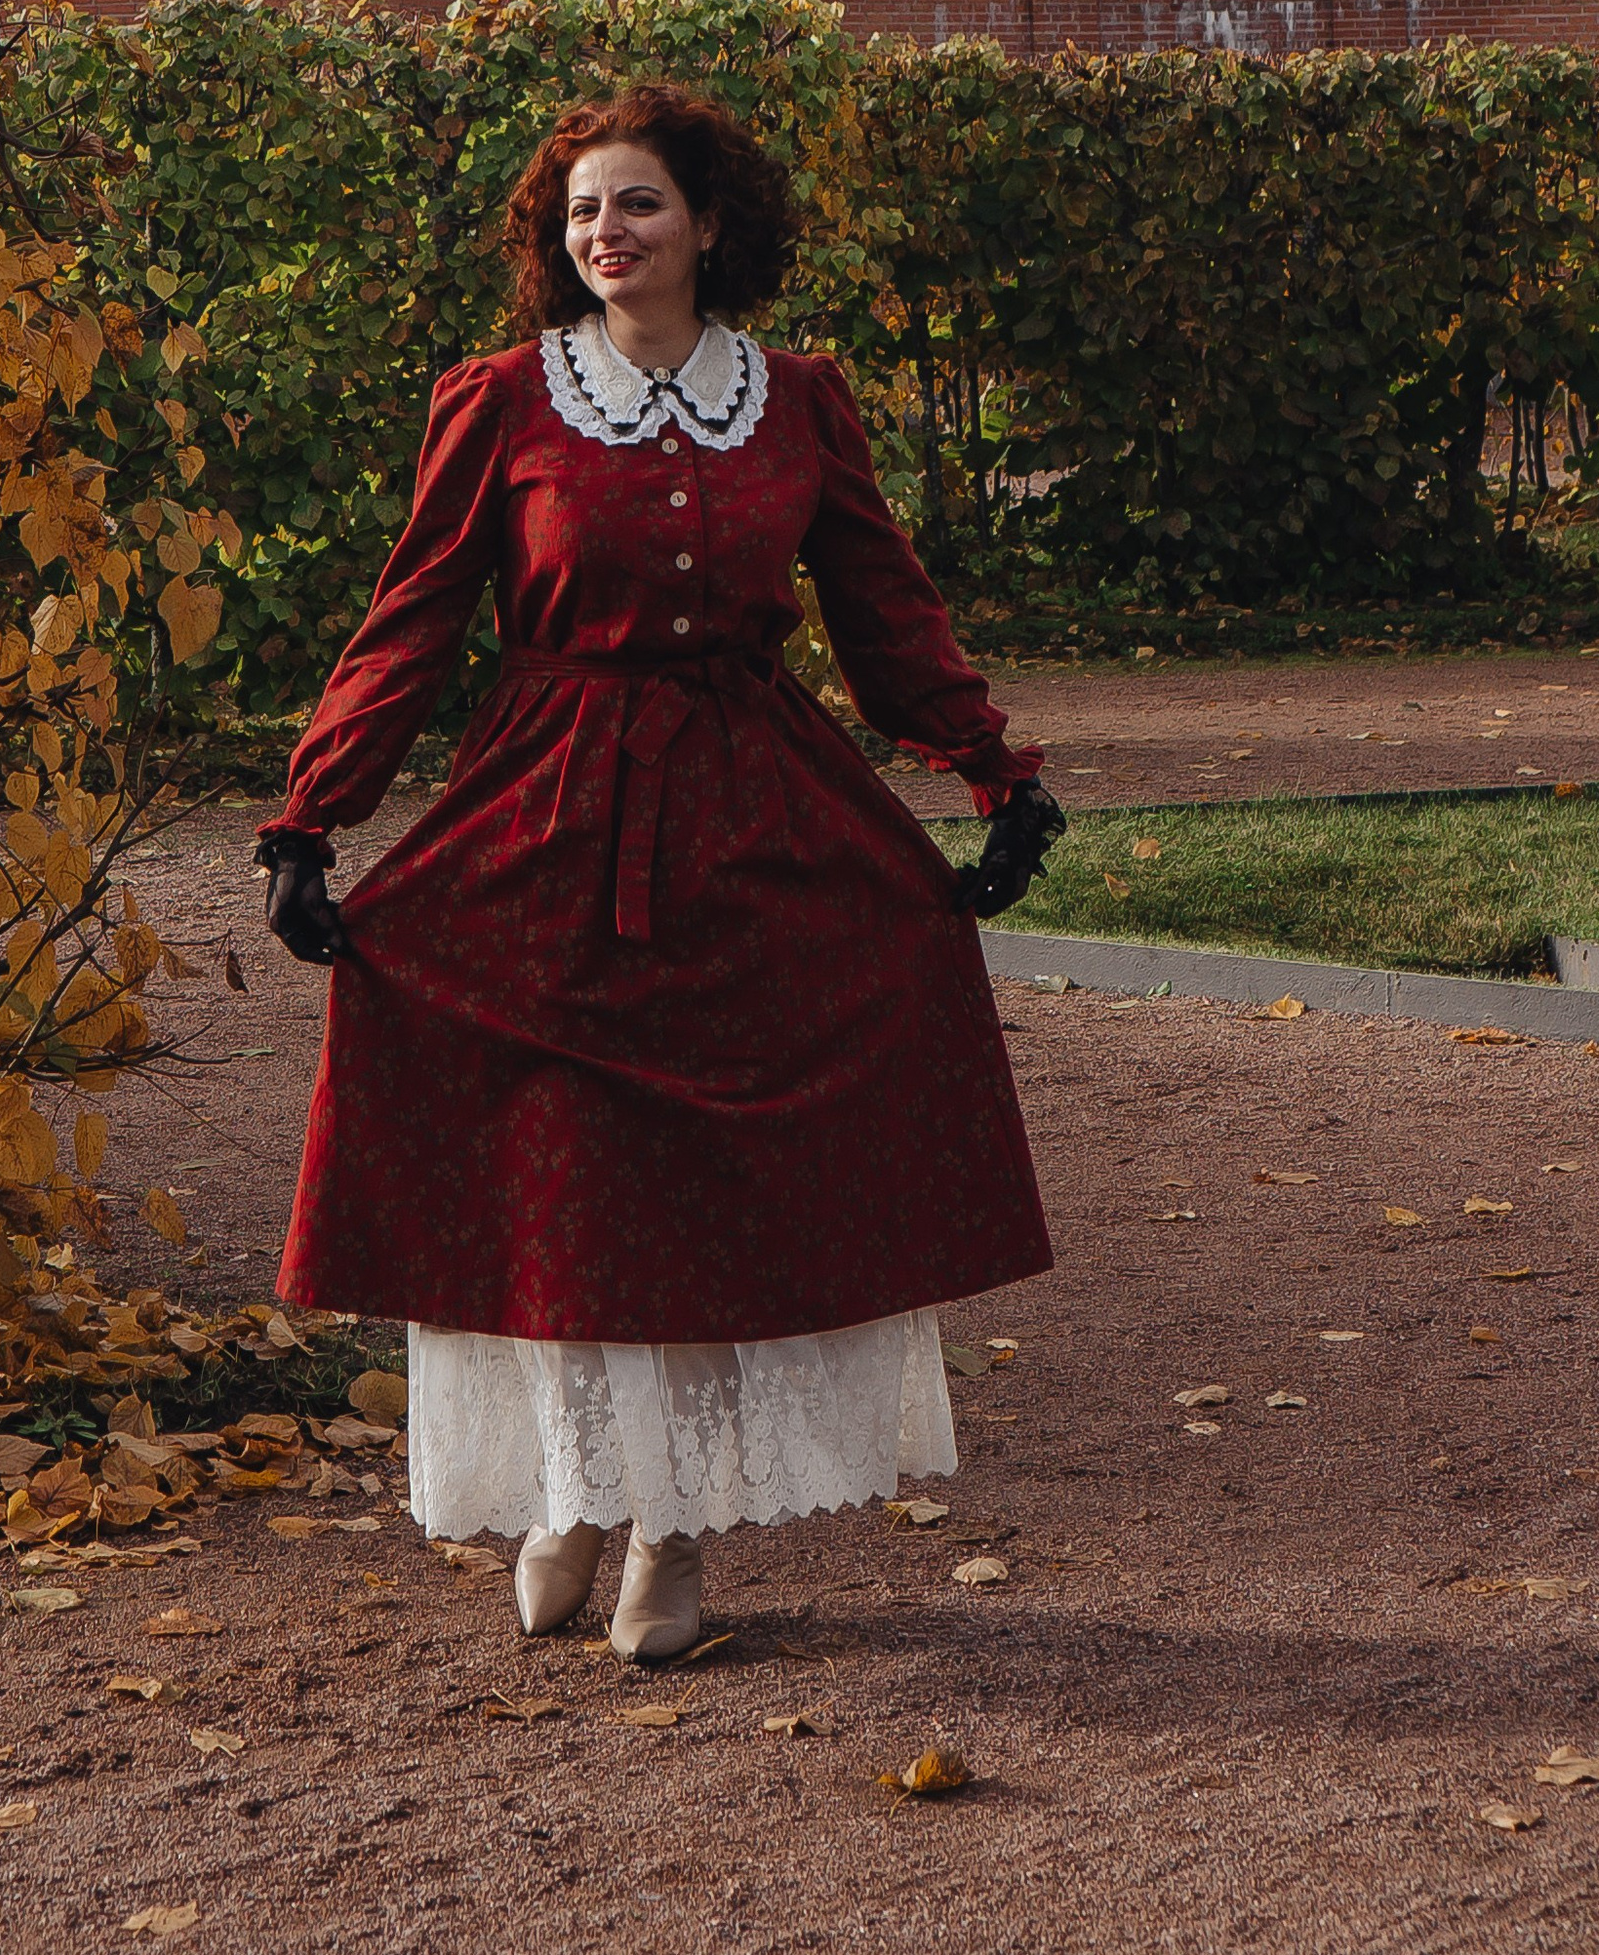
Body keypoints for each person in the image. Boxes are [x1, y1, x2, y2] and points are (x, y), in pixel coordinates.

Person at [254, 86, 1066, 1664]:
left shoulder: (801, 400)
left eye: (633, 205)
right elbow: (411, 624)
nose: (603, 236)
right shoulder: (499, 401)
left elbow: (885, 616)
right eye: (578, 215)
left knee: (705, 1193)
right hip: (547, 823)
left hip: (756, 821)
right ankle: (573, 1492)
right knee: (564, 1179)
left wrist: (992, 772)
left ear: (705, 221)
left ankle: (671, 1534)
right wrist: (312, 814)